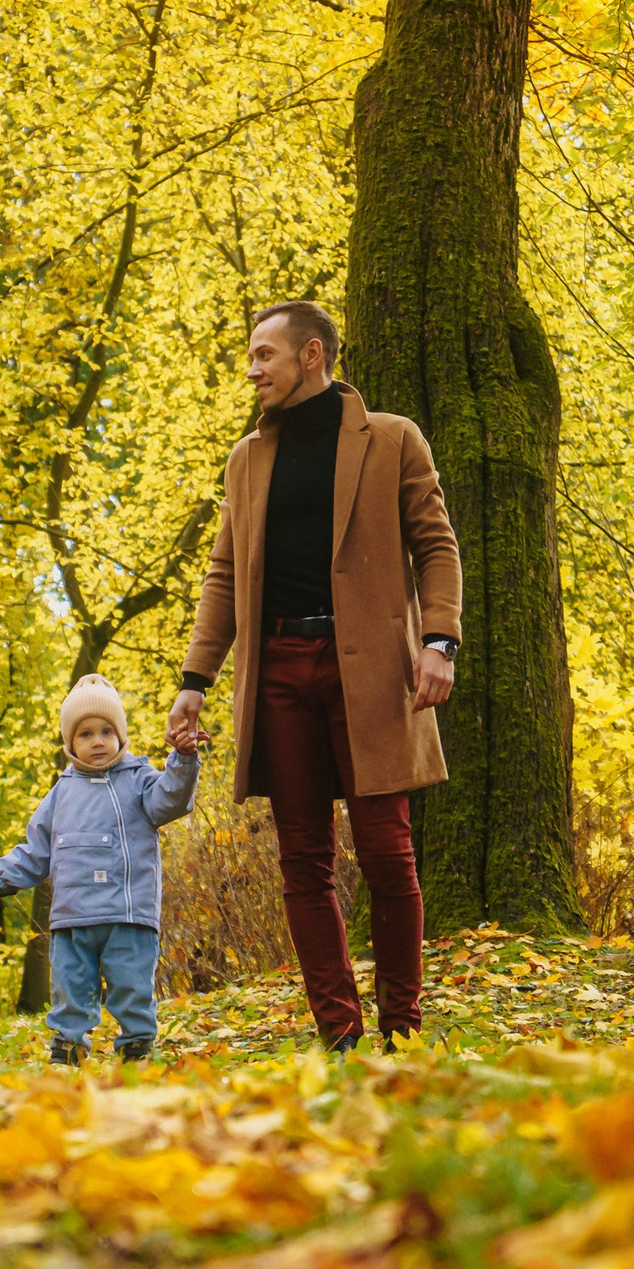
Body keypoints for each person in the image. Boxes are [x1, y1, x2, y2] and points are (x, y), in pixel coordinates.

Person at [167, 301, 460, 1052]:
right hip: (280, 673)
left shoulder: (392, 439)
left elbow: (436, 545)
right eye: (251, 356)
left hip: (372, 671)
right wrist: (195, 677)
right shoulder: (246, 458)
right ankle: (340, 1032)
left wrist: (438, 642)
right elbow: (225, 573)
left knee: (387, 849)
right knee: (302, 858)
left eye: (265, 354)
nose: (253, 369)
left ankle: (402, 1029)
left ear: (312, 355)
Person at [0, 675, 199, 1065]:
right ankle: (67, 1048)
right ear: (70, 743)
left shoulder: (139, 781)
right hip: (73, 918)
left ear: (120, 735)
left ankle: (137, 1047)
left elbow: (172, 801)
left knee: (131, 987)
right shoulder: (60, 793)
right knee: (70, 988)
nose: (97, 742)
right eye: (85, 734)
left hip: (128, 914)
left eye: (106, 731)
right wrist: (0, 878)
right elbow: (36, 849)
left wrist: (182, 760)